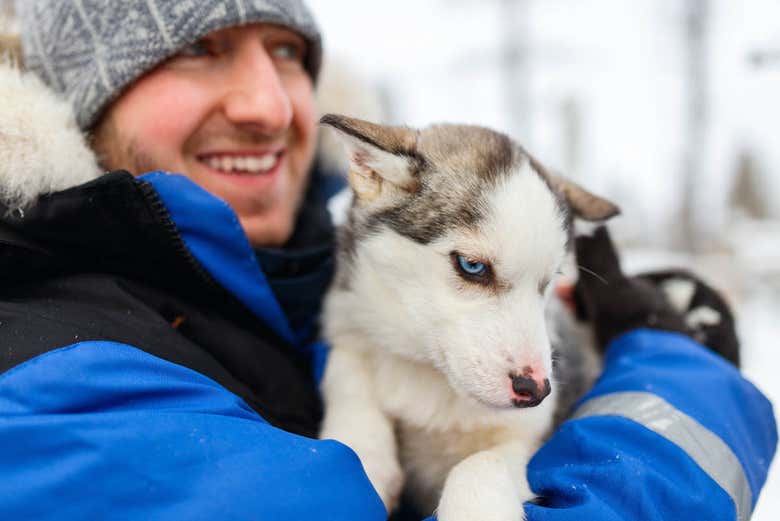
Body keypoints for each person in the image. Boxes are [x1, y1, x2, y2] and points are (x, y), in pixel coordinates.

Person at [0, 1, 774, 520]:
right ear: (82, 93)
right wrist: (678, 365)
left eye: (286, 50)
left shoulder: (294, 282)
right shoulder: (40, 364)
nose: (268, 104)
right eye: (199, 49)